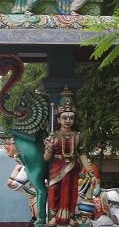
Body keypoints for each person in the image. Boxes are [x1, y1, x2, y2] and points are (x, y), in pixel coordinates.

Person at [43, 89, 92, 226]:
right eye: (65, 117)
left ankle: (70, 216)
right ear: (58, 119)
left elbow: (82, 154)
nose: (68, 120)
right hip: (57, 168)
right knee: (53, 191)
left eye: (71, 117)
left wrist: (90, 170)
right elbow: (46, 158)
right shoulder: (53, 136)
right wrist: (49, 148)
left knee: (71, 192)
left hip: (72, 167)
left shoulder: (77, 136)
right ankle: (54, 216)